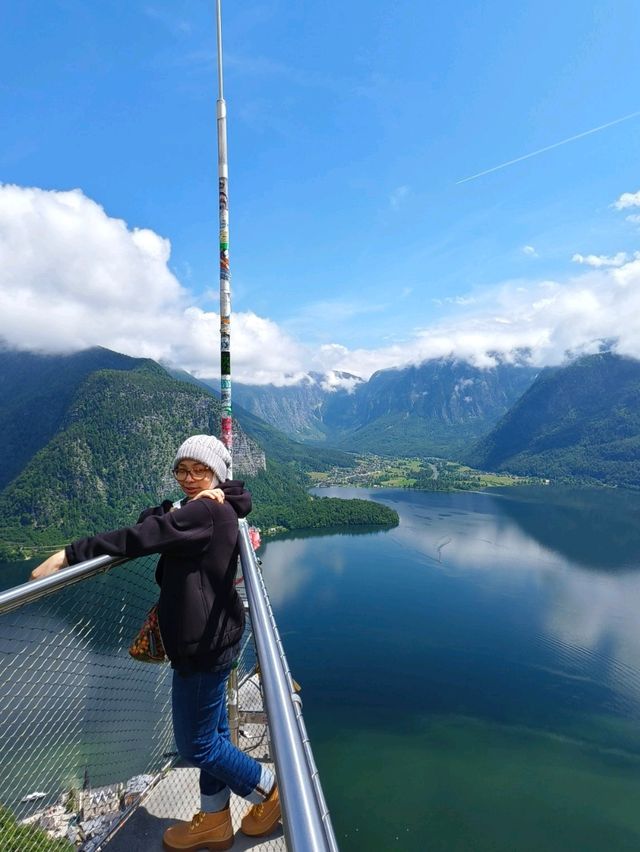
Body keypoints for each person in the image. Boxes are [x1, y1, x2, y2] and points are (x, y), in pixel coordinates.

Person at [31, 434, 281, 851]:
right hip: (216, 638)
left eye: (199, 470)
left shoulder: (205, 512)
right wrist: (180, 505)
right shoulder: (213, 506)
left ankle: (269, 791)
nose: (188, 477)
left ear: (215, 472)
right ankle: (215, 819)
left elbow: (140, 537)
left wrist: (70, 554)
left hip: (201, 646)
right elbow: (157, 519)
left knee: (197, 743)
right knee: (215, 733)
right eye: (181, 469)